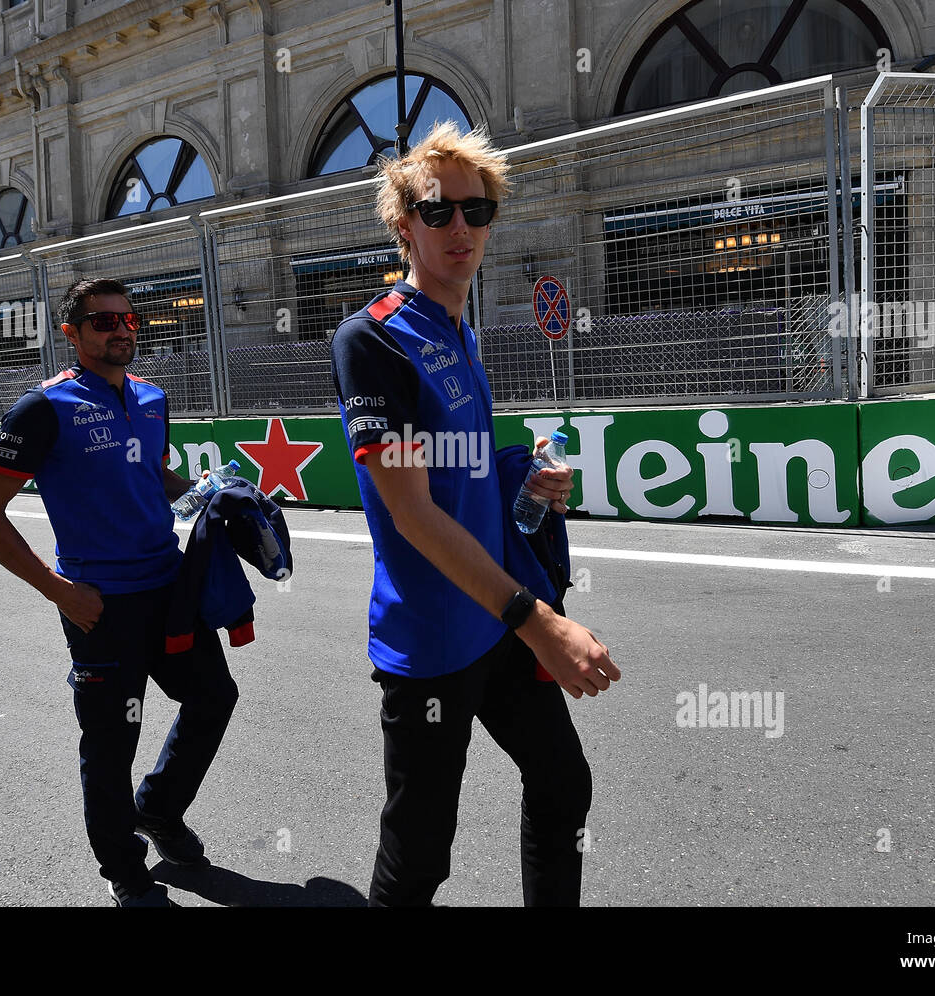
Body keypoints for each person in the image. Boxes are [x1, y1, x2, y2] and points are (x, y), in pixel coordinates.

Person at [330, 122, 621, 907]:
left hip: (492, 618)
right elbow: (414, 514)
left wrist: (520, 475)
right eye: (438, 212)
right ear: (404, 226)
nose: (460, 227)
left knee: (564, 784)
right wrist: (540, 622)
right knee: (419, 860)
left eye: (476, 210)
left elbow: (457, 470)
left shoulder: (460, 327)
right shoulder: (373, 339)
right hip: (433, 642)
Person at [0, 278, 238, 907]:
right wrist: (58, 590)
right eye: (103, 321)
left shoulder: (151, 397)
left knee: (214, 696)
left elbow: (150, 472)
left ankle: (158, 809)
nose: (120, 330)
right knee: (112, 742)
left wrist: (207, 498)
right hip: (99, 607)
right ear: (73, 333)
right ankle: (123, 866)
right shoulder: (43, 409)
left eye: (129, 319)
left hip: (170, 588)